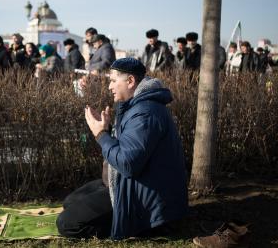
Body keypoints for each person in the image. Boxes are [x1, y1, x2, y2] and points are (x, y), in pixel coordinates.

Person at [57, 58, 188, 240]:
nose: (109, 87)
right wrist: (108, 130)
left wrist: (101, 134)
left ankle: (138, 227)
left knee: (67, 224)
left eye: (112, 81)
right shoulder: (136, 106)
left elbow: (127, 163)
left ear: (130, 81)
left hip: (143, 197)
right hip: (130, 183)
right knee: (69, 203)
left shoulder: (145, 113)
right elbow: (129, 148)